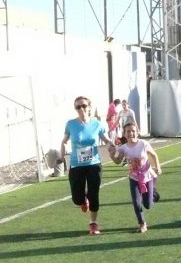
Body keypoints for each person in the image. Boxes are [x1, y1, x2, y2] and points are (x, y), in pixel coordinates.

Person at [60, 95, 114, 235]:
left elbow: (105, 138)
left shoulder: (96, 123)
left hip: (93, 164)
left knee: (94, 194)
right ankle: (83, 200)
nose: (81, 109)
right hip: (76, 165)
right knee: (77, 198)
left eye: (84, 106)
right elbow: (64, 141)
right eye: (78, 107)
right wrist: (62, 152)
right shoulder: (70, 124)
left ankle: (93, 223)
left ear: (89, 107)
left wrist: (111, 145)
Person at [108, 122, 161, 233]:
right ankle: (142, 224)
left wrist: (158, 167)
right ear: (124, 134)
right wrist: (112, 156)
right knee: (136, 202)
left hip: (147, 176)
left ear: (137, 132)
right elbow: (118, 161)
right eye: (128, 131)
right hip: (134, 178)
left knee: (148, 205)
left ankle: (153, 194)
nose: (130, 133)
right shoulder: (123, 148)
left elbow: (154, 155)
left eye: (133, 131)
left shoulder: (143, 144)